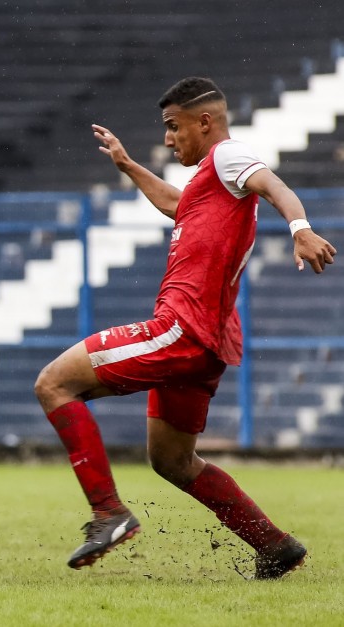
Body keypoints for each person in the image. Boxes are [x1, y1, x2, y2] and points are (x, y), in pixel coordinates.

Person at [34, 77, 336, 579]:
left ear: (205, 122)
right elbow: (179, 206)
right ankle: (275, 546)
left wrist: (300, 230)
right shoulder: (208, 182)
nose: (169, 138)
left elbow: (273, 184)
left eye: (173, 128)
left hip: (181, 329)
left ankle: (107, 512)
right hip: (205, 341)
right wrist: (128, 166)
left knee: (53, 383)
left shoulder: (227, 156)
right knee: (172, 460)